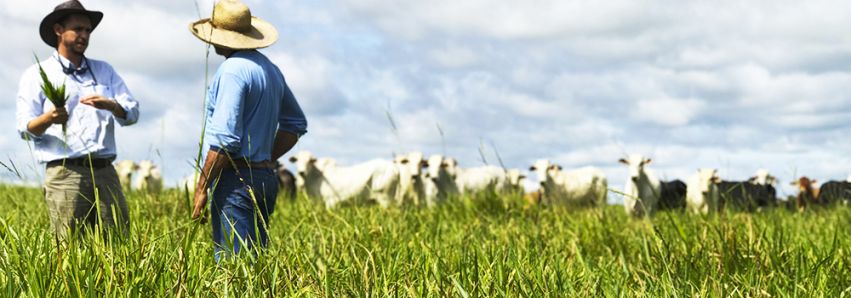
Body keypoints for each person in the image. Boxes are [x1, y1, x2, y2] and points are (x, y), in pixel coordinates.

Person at [189, 0, 307, 261]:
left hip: (236, 180)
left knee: (233, 270)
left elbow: (225, 139)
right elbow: (295, 124)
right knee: (256, 263)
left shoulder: (231, 70)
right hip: (265, 179)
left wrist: (201, 188)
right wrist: (265, 158)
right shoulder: (270, 69)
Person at [15, 0, 140, 239]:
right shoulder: (36, 75)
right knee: (68, 245)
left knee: (118, 241)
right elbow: (24, 128)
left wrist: (112, 105)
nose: (84, 35)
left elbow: (132, 112)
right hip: (65, 173)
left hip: (105, 171)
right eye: (78, 29)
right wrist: (50, 118)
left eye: (88, 31)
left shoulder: (105, 70)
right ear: (58, 30)